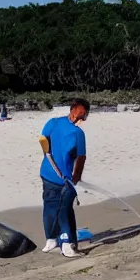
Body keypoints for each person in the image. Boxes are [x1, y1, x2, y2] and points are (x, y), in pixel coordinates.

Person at [38, 100, 89, 256]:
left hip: (49, 174)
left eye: (82, 117)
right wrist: (75, 177)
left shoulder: (59, 125)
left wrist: (75, 176)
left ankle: (52, 240)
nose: (78, 119)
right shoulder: (69, 129)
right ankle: (66, 244)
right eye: (78, 115)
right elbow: (81, 158)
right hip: (59, 178)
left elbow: (43, 140)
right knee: (63, 210)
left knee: (52, 207)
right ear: (72, 110)